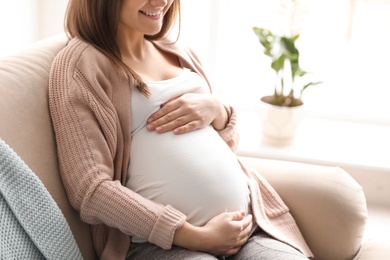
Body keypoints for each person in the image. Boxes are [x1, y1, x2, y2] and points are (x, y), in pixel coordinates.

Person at [48, 0, 314, 259]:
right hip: (163, 246)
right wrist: (194, 235)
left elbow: (228, 145)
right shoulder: (79, 67)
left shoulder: (176, 50)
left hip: (249, 230)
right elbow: (90, 190)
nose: (162, 1)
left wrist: (218, 110)